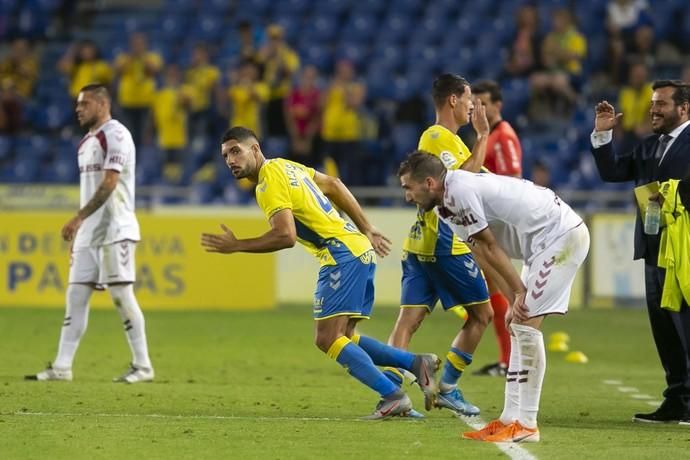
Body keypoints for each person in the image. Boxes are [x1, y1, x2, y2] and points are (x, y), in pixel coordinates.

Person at [201, 126, 440, 419]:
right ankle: (417, 364)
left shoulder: (267, 184)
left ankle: (393, 396)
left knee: (326, 338)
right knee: (346, 336)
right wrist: (366, 227)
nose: (230, 160)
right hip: (357, 248)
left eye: (236, 151)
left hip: (340, 254)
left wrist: (238, 245)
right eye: (226, 155)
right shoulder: (285, 166)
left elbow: (285, 236)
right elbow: (335, 184)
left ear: (255, 149)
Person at [398, 151, 589, 443]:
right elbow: (480, 251)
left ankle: (527, 424)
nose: (407, 196)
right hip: (540, 246)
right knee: (517, 325)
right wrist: (513, 297)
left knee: (525, 327)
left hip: (560, 237)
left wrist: (518, 293)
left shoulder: (459, 191)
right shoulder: (443, 206)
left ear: (429, 183)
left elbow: (488, 245)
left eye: (408, 188)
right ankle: (509, 420)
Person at [25, 84, 154, 383]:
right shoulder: (86, 142)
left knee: (121, 295)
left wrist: (77, 218)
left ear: (101, 103)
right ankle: (62, 366)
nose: (77, 109)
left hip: (115, 228)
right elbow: (90, 190)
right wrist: (82, 228)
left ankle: (143, 365)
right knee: (76, 296)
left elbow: (110, 183)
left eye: (84, 103)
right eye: (77, 104)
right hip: (89, 232)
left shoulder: (116, 134)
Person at [385, 73, 494, 416]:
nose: (471, 106)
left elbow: (481, 181)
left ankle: (390, 395)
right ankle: (447, 386)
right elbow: (462, 181)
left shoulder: (454, 143)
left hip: (421, 243)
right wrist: (485, 134)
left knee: (409, 321)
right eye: (468, 99)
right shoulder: (437, 135)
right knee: (482, 315)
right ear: (453, 100)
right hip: (445, 242)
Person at [590, 80, 690, 423]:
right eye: (652, 104)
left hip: (686, 253)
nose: (653, 110)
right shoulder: (650, 146)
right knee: (665, 330)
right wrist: (603, 135)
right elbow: (612, 171)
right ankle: (677, 399)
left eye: (661, 104)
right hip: (653, 250)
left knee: (687, 327)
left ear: (684, 108)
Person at [471, 79, 523, 377]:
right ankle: (507, 359)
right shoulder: (486, 137)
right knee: (492, 294)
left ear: (497, 105)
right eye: (474, 104)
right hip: (486, 226)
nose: (478, 109)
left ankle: (510, 360)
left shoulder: (503, 136)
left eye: (484, 104)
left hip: (496, 227)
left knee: (500, 292)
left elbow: (512, 177)